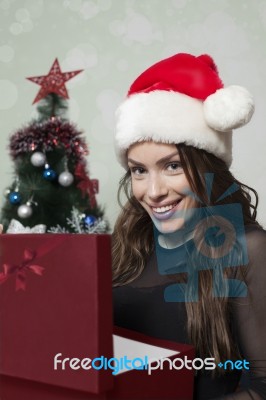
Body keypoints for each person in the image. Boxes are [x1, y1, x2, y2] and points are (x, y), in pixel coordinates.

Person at [112, 53, 266, 399]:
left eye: (172, 166)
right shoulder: (126, 244)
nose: (153, 192)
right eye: (139, 170)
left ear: (207, 167)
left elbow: (262, 385)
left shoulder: (248, 248)